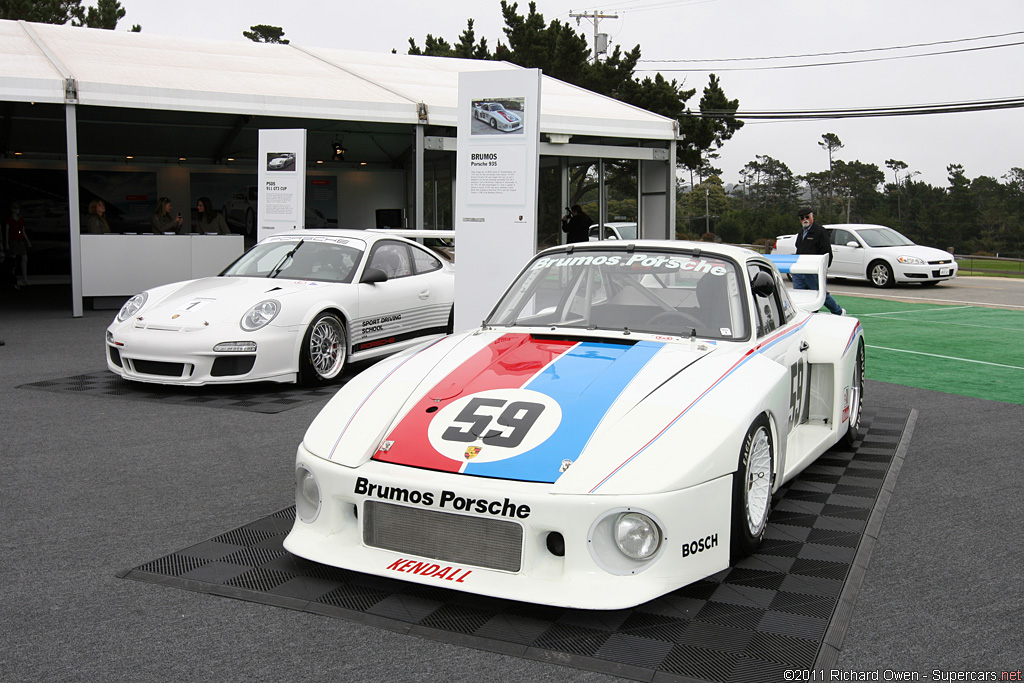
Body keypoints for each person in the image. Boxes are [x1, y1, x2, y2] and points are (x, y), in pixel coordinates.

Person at [794, 207, 844, 315]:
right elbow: (798, 248)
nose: (804, 220)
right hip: (800, 269)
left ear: (812, 217)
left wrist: (824, 269)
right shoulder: (801, 232)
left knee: (820, 294)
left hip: (814, 270)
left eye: (807, 217)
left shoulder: (820, 231)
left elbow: (827, 251)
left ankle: (838, 311)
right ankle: (805, 314)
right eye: (802, 218)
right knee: (799, 294)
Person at [3, 202, 32, 288]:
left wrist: (27, 241)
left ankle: (25, 277)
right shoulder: (9, 220)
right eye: (15, 209)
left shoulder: (20, 220)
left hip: (20, 240)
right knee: (13, 260)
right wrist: (7, 243)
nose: (17, 210)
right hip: (13, 240)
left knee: (24, 258)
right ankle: (12, 278)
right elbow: (7, 232)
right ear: (12, 210)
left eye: (18, 209)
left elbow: (22, 231)